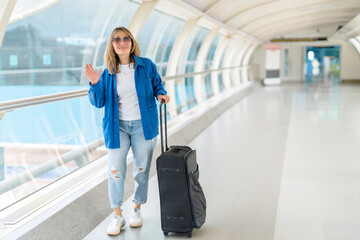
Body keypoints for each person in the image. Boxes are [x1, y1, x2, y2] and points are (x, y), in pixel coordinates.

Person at [86, 26, 170, 236]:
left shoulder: (146, 66)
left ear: (132, 42)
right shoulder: (106, 72)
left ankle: (136, 209)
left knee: (141, 170)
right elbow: (98, 102)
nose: (122, 43)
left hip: (144, 125)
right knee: (115, 172)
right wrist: (95, 83)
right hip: (117, 128)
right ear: (112, 45)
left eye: (126, 39)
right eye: (117, 39)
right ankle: (117, 215)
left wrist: (162, 95)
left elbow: (158, 85)